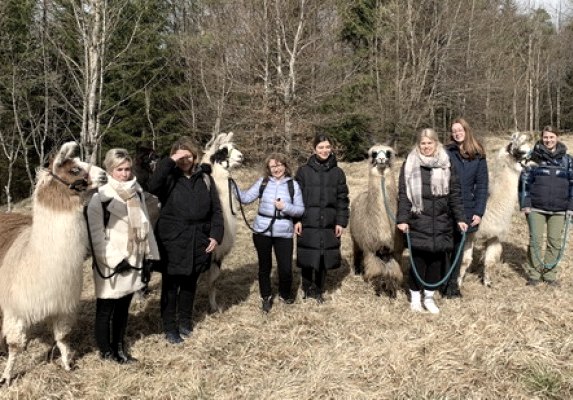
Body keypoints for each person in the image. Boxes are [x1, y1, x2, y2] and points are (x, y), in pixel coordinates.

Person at [86, 148, 160, 363]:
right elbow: (96, 237)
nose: (125, 174)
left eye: (127, 169)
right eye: (120, 170)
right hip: (111, 263)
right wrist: (115, 260)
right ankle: (106, 351)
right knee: (106, 308)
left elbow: (145, 224)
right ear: (111, 170)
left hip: (135, 258)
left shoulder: (136, 193)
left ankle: (119, 347)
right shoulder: (99, 199)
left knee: (123, 309)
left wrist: (149, 256)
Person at [148, 137, 224, 344]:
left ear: (195, 156)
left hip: (199, 238)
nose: (184, 160)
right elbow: (152, 186)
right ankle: (169, 327)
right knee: (171, 286)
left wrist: (216, 235)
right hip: (172, 239)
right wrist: (170, 160)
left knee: (190, 283)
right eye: (180, 156)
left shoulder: (205, 179)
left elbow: (216, 210)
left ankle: (185, 321)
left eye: (188, 155)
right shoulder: (168, 178)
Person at [396, 128, 468, 314]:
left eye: (429, 143)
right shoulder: (410, 164)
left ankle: (428, 297)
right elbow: (404, 195)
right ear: (418, 145)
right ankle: (414, 298)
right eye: (423, 143)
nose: (426, 147)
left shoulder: (446, 162)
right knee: (418, 262)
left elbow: (454, 194)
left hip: (442, 221)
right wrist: (403, 219)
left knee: (436, 262)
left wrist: (460, 217)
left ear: (436, 143)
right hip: (418, 220)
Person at [233, 153, 304, 312]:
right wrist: (231, 184)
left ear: (285, 166)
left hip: (284, 232)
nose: (277, 169)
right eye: (273, 166)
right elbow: (245, 198)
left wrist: (284, 207)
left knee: (285, 268)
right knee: (264, 267)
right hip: (262, 231)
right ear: (268, 168)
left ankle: (285, 295)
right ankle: (266, 297)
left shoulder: (293, 185)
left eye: (279, 165)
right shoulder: (262, 183)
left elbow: (300, 210)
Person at [294, 133, 349, 304]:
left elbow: (342, 198)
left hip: (329, 221)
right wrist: (296, 220)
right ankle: (306, 288)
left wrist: (341, 221)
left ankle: (318, 289)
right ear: (314, 149)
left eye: (327, 147)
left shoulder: (338, 173)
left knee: (323, 255)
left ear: (331, 148)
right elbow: (295, 197)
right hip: (307, 220)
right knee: (307, 254)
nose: (324, 150)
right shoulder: (303, 171)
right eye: (320, 147)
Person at [519, 126, 573, 287]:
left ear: (557, 137)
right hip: (536, 208)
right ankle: (534, 275)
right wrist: (525, 204)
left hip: (560, 209)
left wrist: (571, 206)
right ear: (542, 138)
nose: (548, 140)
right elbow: (524, 183)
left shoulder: (567, 160)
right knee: (535, 241)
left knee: (554, 242)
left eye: (551, 137)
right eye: (545, 137)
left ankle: (550, 275)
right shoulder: (533, 158)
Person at [442, 118, 488, 298]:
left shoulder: (478, 154)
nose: (457, 133)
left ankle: (452, 285)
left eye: (460, 129)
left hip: (467, 208)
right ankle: (442, 281)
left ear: (466, 130)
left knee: (458, 248)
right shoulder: (446, 152)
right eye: (454, 131)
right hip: (446, 206)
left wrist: (478, 211)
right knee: (445, 246)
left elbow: (482, 185)